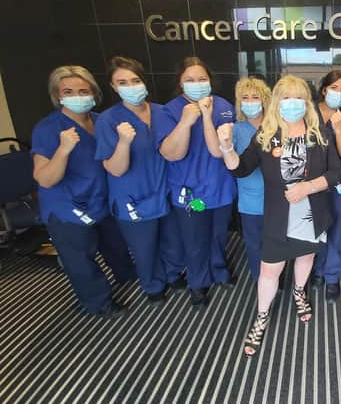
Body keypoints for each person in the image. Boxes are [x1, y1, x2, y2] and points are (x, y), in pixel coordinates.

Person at [217, 75, 341, 356]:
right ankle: (262, 315)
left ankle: (299, 292)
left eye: (298, 97)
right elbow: (240, 168)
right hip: (277, 216)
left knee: (306, 256)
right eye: (286, 97)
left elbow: (334, 173)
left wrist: (308, 187)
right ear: (276, 102)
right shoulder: (265, 135)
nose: (292, 103)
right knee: (269, 269)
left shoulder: (319, 134)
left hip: (312, 212)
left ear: (307, 102)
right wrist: (226, 147)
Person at [32, 65, 136, 317]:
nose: (78, 96)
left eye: (83, 90)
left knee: (116, 245)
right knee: (80, 259)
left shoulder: (102, 121)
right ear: (58, 95)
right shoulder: (49, 128)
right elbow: (45, 178)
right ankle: (97, 303)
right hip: (68, 207)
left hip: (101, 200)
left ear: (94, 92)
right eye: (69, 91)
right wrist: (63, 149)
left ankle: (127, 277)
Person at [94, 56, 185, 306]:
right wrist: (124, 142)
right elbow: (114, 168)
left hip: (165, 189)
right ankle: (152, 285)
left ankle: (173, 273)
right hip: (132, 195)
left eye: (135, 80)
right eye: (122, 82)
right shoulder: (108, 120)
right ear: (113, 87)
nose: (131, 86)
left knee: (173, 240)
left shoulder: (161, 111)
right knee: (144, 247)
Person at [153, 57, 237, 308]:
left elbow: (220, 150)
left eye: (202, 79)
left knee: (218, 234)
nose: (197, 84)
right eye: (190, 80)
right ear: (180, 83)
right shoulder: (169, 111)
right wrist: (186, 122)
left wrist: (207, 116)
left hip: (219, 188)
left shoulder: (222, 106)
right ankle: (198, 283)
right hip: (192, 195)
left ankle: (219, 270)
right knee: (195, 239)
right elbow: (170, 153)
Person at [309, 70, 341, 302]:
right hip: (315, 181)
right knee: (316, 227)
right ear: (324, 90)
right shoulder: (309, 112)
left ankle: (331, 276)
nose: (338, 93)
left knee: (337, 228)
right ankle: (317, 270)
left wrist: (339, 129)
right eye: (334, 88)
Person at [232, 77, 272, 281]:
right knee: (255, 244)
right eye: (244, 98)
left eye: (255, 97)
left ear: (264, 100)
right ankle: (260, 280)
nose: (250, 101)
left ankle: (276, 277)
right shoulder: (235, 129)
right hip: (250, 202)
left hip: (277, 198)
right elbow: (229, 160)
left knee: (275, 243)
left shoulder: (276, 126)